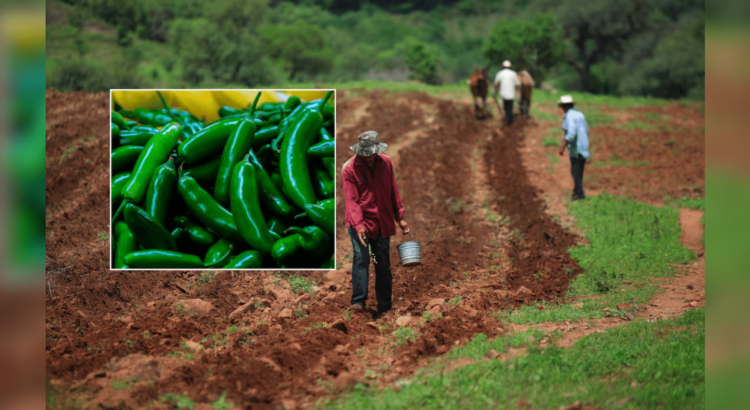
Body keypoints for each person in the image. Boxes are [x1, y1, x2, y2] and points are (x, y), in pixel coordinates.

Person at [342, 130, 409, 316]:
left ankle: (385, 305)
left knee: (382, 263)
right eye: (366, 153)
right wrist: (360, 225)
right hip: (359, 223)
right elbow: (352, 201)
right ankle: (358, 302)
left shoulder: (386, 163)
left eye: (372, 153)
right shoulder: (349, 169)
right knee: (361, 260)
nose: (369, 156)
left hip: (381, 223)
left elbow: (393, 191)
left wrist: (400, 217)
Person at [557, 95, 590, 200]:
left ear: (563, 106)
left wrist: (563, 147)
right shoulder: (580, 114)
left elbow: (571, 133)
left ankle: (579, 194)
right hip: (583, 147)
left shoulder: (569, 117)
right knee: (579, 171)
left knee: (575, 172)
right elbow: (586, 129)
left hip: (576, 148)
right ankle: (577, 191)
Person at [493, 60, 520, 125]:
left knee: (505, 107)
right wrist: (517, 93)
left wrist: (495, 92)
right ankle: (509, 119)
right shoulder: (514, 73)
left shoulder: (499, 73)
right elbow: (517, 84)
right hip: (511, 94)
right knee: (510, 107)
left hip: (503, 94)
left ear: (503, 67)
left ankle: (508, 119)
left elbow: (496, 84)